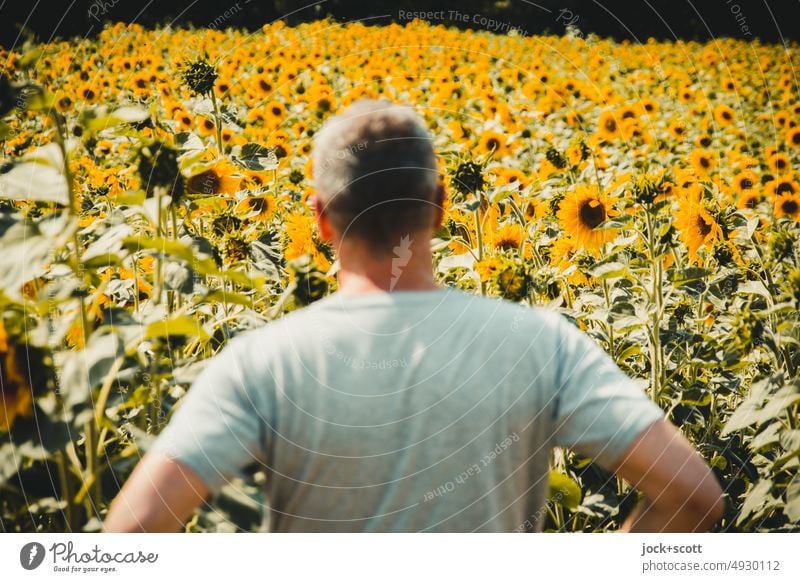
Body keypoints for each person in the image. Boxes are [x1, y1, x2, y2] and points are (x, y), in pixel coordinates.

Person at [104, 100, 724, 533]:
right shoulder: (540, 345)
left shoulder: (264, 361)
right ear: (438, 206)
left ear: (319, 219)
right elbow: (694, 498)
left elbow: (133, 532)